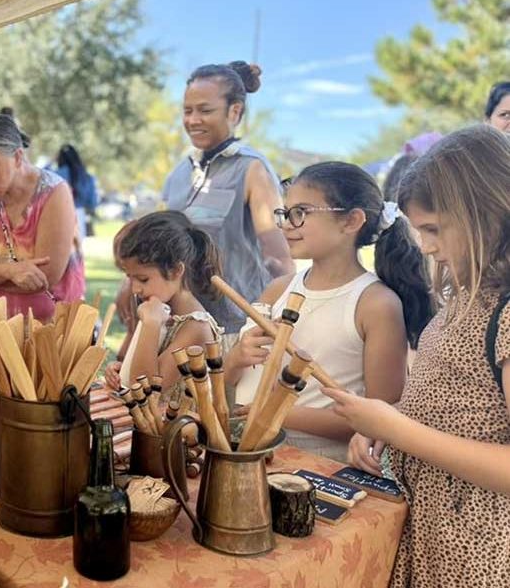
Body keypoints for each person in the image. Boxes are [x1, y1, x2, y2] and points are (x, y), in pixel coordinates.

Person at [325, 125, 510, 586]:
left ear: (487, 214)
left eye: (434, 229)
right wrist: (384, 430)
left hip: (476, 546)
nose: (426, 246)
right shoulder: (469, 297)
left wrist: (397, 428)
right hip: (431, 530)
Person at [226, 162, 433, 461]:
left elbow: (382, 418)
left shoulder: (375, 304)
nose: (285, 225)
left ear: (351, 221)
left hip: (322, 470)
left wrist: (272, 413)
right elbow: (228, 385)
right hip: (250, 456)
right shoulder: (276, 291)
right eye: (284, 213)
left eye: (300, 213)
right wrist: (236, 359)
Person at [160, 61, 293, 345]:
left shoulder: (252, 170)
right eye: (187, 110)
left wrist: (275, 325)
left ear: (235, 111)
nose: (193, 120)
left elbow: (280, 260)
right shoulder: (179, 174)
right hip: (179, 330)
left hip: (234, 333)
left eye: (205, 110)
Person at [0, 114, 84, 322]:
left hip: (50, 334)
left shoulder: (54, 193)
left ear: (17, 157)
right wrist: (10, 271)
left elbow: (45, 277)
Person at [103, 211, 223, 395]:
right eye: (130, 278)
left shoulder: (196, 328)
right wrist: (122, 369)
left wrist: (150, 325)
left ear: (176, 271)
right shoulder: (160, 308)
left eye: (143, 279)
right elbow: (143, 369)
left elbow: (145, 391)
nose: (135, 289)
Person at [54, 144, 99, 239]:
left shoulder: (54, 175)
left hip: (58, 214)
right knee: (77, 249)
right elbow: (92, 202)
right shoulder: (86, 177)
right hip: (79, 214)